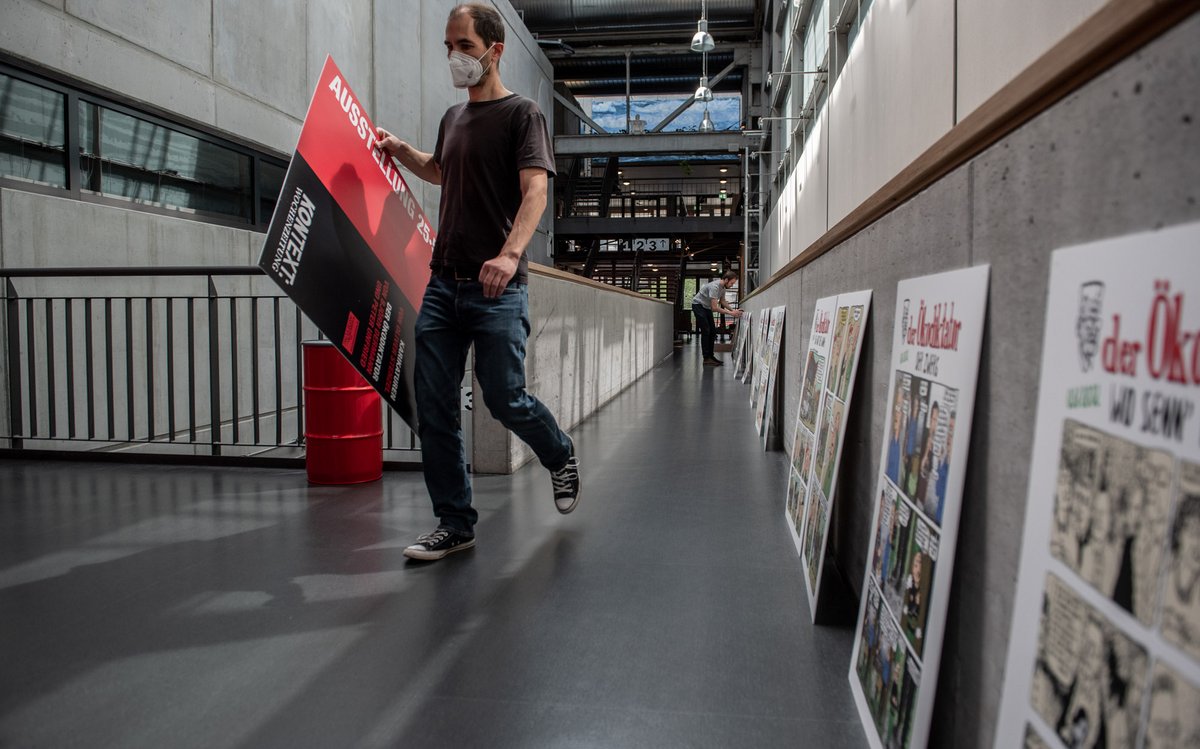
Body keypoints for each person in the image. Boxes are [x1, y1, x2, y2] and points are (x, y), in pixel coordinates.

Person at [375, 4, 579, 561]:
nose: (454, 57)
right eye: (448, 46)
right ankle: (455, 523)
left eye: (463, 45)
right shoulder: (452, 117)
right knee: (435, 407)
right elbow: (442, 169)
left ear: (495, 50)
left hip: (498, 288)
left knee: (504, 397)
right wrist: (401, 151)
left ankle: (559, 454)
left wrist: (510, 255)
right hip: (444, 284)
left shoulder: (524, 115)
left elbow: (536, 191)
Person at [691, 270, 743, 366]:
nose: (732, 285)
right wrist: (731, 313)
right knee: (706, 330)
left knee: (713, 331)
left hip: (706, 307)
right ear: (726, 280)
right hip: (698, 305)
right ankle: (706, 358)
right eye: (731, 283)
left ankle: (711, 356)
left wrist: (733, 310)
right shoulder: (715, 287)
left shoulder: (723, 288)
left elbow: (723, 301)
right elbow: (714, 308)